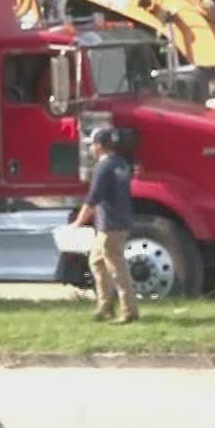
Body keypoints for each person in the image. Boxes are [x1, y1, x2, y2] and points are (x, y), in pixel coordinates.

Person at [72, 128, 138, 323]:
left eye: (92, 144)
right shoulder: (121, 163)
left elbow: (93, 199)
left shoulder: (104, 167)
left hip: (110, 225)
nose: (91, 148)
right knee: (96, 261)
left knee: (116, 267)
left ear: (99, 146)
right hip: (119, 222)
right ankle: (105, 306)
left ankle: (128, 311)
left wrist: (78, 222)